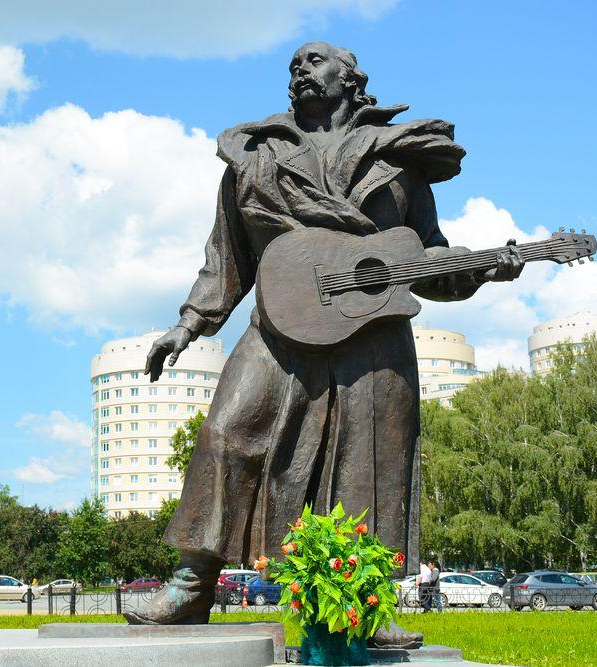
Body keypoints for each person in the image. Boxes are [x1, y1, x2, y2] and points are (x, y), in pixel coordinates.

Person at [125, 41, 523, 649]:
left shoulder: (398, 162)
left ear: (351, 77)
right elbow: (226, 258)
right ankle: (191, 584)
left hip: (373, 331)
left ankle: (364, 607)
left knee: (370, 464)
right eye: (294, 65)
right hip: (280, 323)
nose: (299, 70)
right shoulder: (256, 157)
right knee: (226, 432)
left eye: (314, 60)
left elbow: (425, 254)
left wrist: (483, 266)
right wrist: (188, 324)